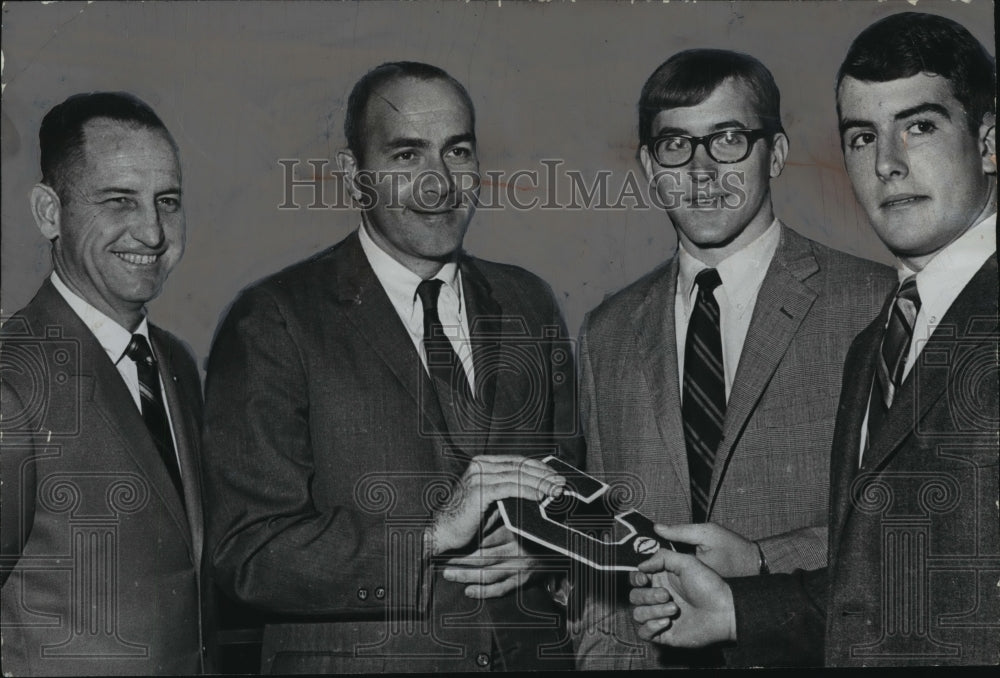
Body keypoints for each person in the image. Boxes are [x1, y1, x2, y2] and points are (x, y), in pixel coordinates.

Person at [630, 12, 998, 667]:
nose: (887, 163)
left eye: (919, 126)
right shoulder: (878, 343)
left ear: (990, 143)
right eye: (862, 137)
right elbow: (879, 591)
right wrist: (737, 610)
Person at [201, 61, 581, 674]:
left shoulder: (528, 301)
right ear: (355, 176)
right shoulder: (274, 319)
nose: (439, 184)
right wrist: (429, 536)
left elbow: (572, 482)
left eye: (457, 151)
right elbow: (249, 553)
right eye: (407, 156)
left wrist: (550, 550)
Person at [573, 49, 896, 668]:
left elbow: (913, 531)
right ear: (648, 164)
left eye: (727, 140)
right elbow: (598, 549)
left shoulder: (875, 303)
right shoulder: (605, 332)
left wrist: (761, 559)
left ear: (774, 153)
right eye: (675, 146)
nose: (700, 170)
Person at [0, 92, 210, 674]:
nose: (151, 232)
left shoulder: (175, 363)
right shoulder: (11, 381)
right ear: (49, 212)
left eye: (167, 202)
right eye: (119, 201)